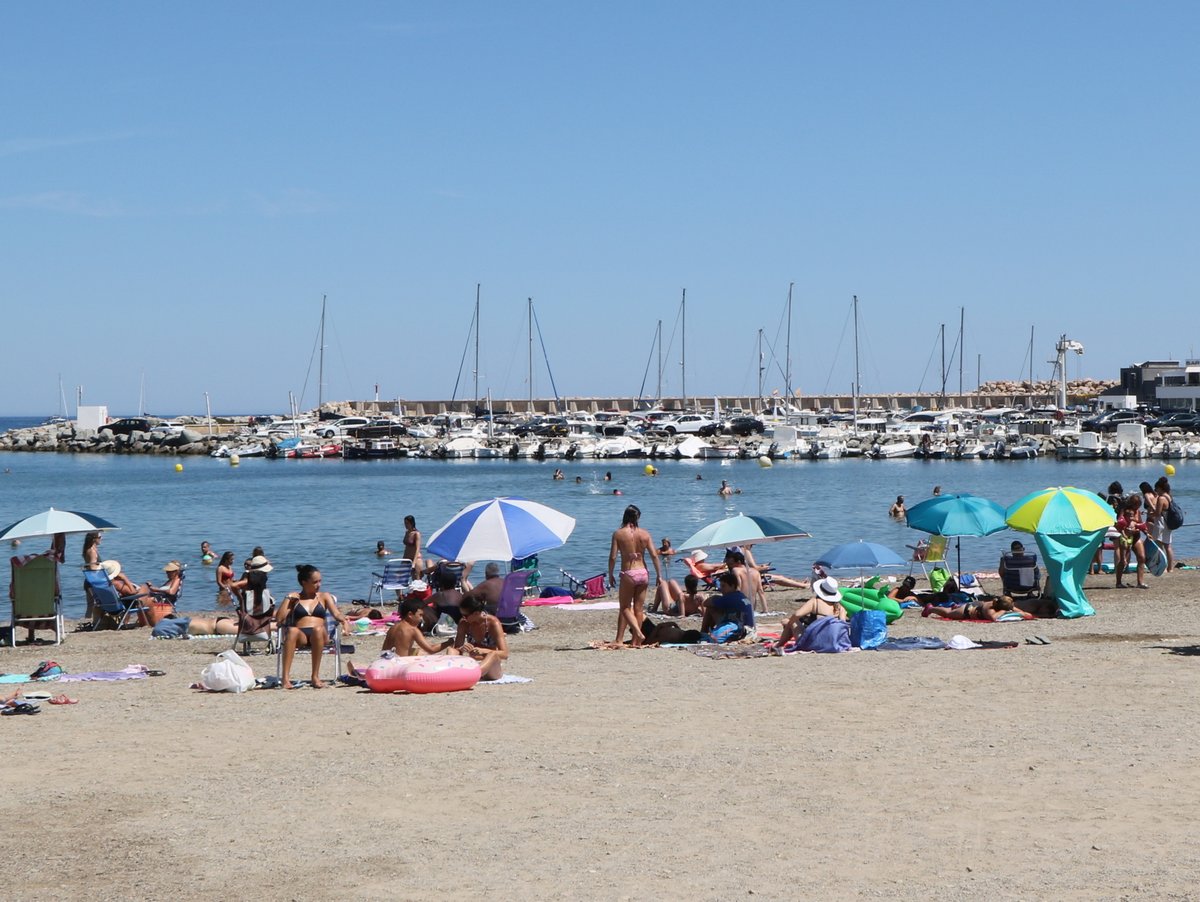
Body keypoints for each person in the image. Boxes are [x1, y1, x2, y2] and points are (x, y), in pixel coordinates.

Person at [277, 564, 349, 689]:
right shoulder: (295, 598)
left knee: (317, 629)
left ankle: (315, 677)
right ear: (304, 582)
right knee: (292, 631)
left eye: (320, 581)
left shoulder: (324, 596)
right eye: (315, 582)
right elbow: (279, 619)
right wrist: (288, 599)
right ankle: (285, 679)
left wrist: (345, 622)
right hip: (301, 636)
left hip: (320, 634)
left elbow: (336, 613)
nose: (319, 584)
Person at [607, 504, 662, 647]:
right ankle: (635, 642)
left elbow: (613, 557)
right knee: (638, 609)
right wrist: (659, 575)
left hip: (629, 572)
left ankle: (637, 632)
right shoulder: (644, 534)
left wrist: (611, 574)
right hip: (643, 572)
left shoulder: (618, 534)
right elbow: (654, 555)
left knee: (624, 607)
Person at [772, 577, 847, 649]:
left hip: (814, 643)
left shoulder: (815, 602)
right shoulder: (840, 608)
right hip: (833, 642)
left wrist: (789, 624)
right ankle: (779, 644)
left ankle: (778, 645)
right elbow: (842, 626)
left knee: (789, 621)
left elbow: (796, 615)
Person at [451, 595, 508, 680]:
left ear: (476, 613)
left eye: (465, 615)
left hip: (490, 667)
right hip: (472, 663)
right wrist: (462, 648)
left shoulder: (492, 623)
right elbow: (457, 649)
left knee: (492, 654)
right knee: (451, 650)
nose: (463, 618)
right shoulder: (464, 623)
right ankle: (450, 673)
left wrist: (484, 651)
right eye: (461, 615)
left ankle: (471, 675)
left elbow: (505, 654)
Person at [699, 571, 754, 642]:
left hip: (739, 627)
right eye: (720, 586)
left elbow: (705, 603)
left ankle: (703, 631)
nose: (721, 589)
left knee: (711, 608)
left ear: (733, 586)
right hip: (747, 626)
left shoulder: (729, 598)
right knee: (714, 607)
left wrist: (715, 597)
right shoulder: (740, 595)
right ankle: (705, 632)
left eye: (724, 586)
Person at [1114, 494, 1148, 590]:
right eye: (1136, 505)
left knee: (1141, 557)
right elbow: (1119, 524)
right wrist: (1125, 531)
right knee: (1123, 560)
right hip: (1126, 537)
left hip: (1136, 536)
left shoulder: (1137, 511)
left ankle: (1140, 582)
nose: (1138, 507)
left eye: (1139, 505)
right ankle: (1118, 582)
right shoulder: (1124, 511)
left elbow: (1140, 523)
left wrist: (1141, 530)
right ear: (1132, 504)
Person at [724, 547, 766, 614]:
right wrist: (765, 610)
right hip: (752, 607)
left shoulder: (736, 570)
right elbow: (761, 592)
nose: (731, 566)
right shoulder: (756, 572)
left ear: (739, 562)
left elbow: (738, 589)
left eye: (732, 564)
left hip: (741, 605)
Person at [923, 595, 1016, 621]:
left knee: (952, 610)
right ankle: (931, 608)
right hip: (966, 611)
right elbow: (993, 618)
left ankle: (955, 606)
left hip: (973, 605)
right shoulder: (990, 609)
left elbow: (1014, 609)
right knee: (948, 613)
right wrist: (1003, 611)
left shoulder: (996, 603)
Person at [1151, 476, 1176, 572]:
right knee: (1168, 546)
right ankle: (1170, 567)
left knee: (1159, 545)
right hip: (1168, 522)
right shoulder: (1169, 496)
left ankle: (1163, 568)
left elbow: (1157, 513)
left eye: (1156, 489)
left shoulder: (1161, 498)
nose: (1156, 491)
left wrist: (1150, 513)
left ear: (1160, 488)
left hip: (1161, 522)